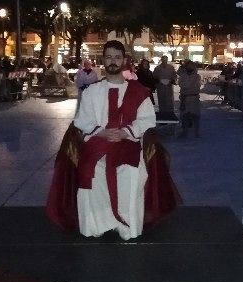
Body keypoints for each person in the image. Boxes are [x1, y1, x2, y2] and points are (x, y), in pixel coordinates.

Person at [52, 40, 157, 240]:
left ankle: (127, 226)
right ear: (103, 60)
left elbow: (147, 119)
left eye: (117, 57)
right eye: (109, 57)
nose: (113, 61)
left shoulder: (138, 92)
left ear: (124, 60)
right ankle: (96, 225)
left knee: (131, 174)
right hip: (98, 145)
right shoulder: (91, 91)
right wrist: (102, 132)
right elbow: (82, 120)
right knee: (92, 173)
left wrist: (125, 132)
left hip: (127, 144)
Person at [177, 60, 202, 137]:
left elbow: (196, 86)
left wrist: (187, 86)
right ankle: (184, 132)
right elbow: (182, 85)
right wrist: (188, 85)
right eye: (188, 66)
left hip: (194, 98)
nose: (190, 67)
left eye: (191, 66)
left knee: (196, 116)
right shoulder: (183, 76)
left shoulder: (197, 76)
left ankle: (197, 133)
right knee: (184, 116)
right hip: (185, 98)